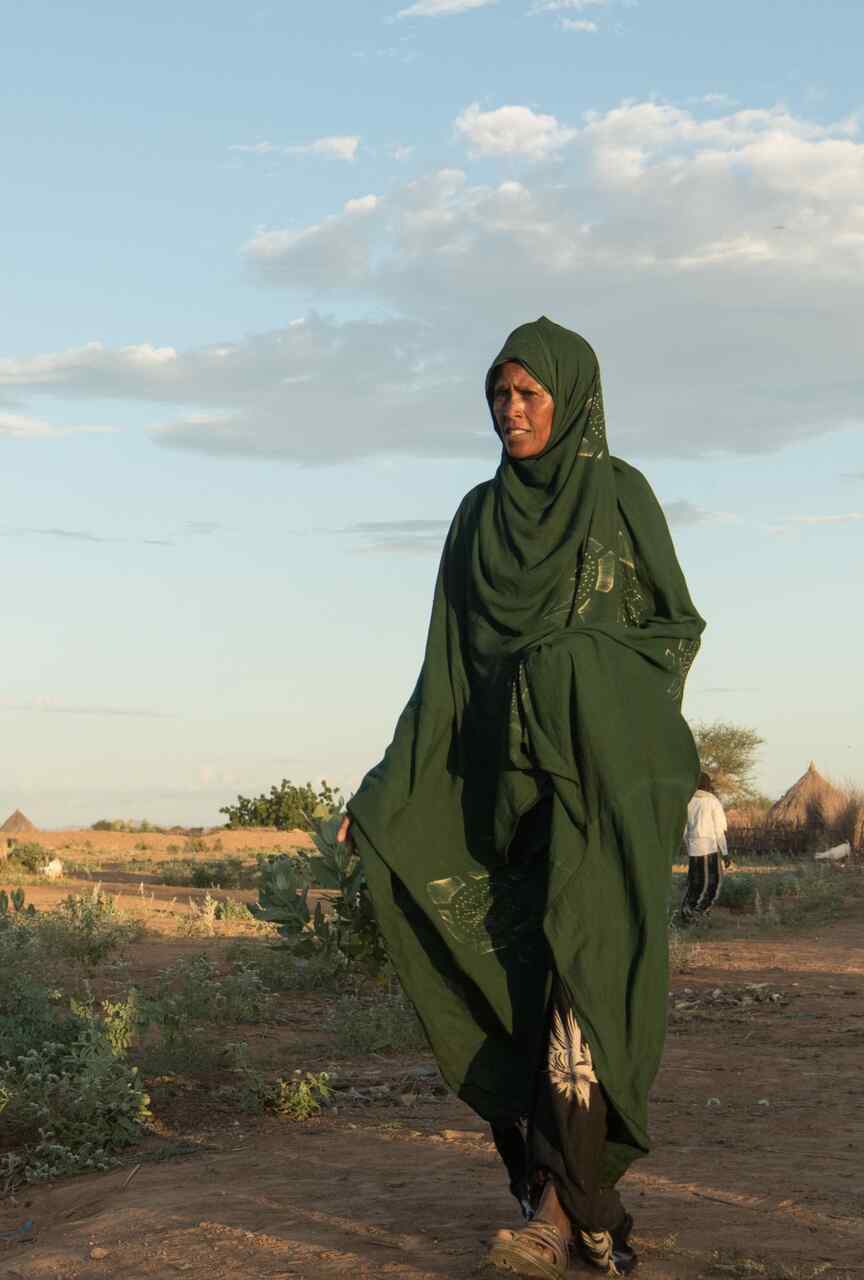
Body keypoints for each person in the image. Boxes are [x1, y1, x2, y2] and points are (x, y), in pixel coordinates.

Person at [339, 317, 704, 1279]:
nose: (511, 411)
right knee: (523, 986)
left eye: (529, 394)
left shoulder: (620, 499)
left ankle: (550, 1217)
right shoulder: (474, 518)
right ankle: (581, 1205)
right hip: (497, 796)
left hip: (596, 784)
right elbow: (443, 676)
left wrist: (574, 664)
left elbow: (672, 632)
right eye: (500, 395)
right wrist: (382, 791)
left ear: (573, 397)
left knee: (586, 984)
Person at [679, 773, 729, 919]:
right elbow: (719, 830)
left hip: (694, 847)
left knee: (695, 882)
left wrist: (689, 847)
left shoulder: (687, 801)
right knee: (712, 883)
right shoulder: (712, 801)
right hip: (709, 847)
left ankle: (686, 911)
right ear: (707, 784)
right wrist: (725, 853)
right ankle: (699, 913)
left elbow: (684, 830)